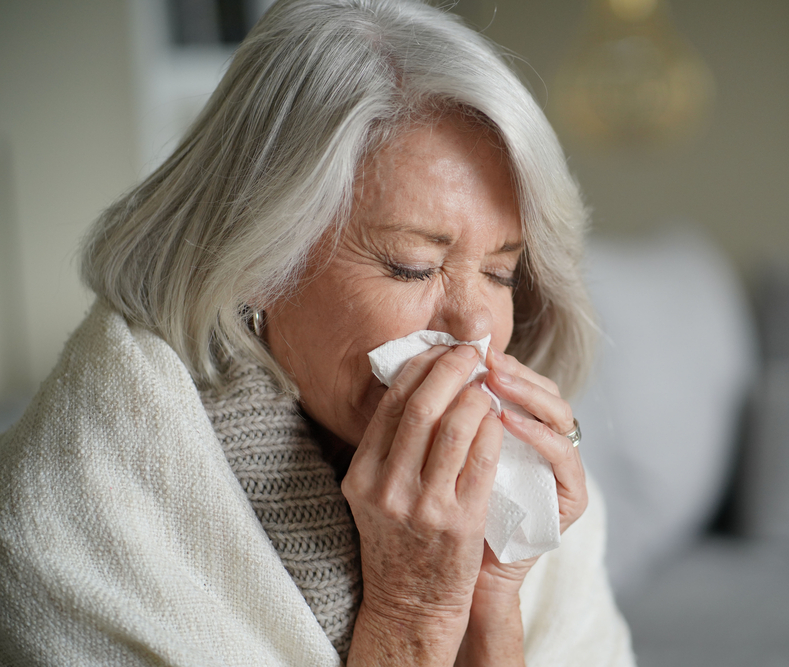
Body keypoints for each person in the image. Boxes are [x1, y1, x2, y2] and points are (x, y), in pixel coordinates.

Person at [0, 0, 634, 665]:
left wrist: (491, 593)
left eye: (503, 272)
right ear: (258, 262)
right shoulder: (74, 510)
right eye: (410, 266)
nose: (477, 325)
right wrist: (411, 606)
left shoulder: (528, 496)